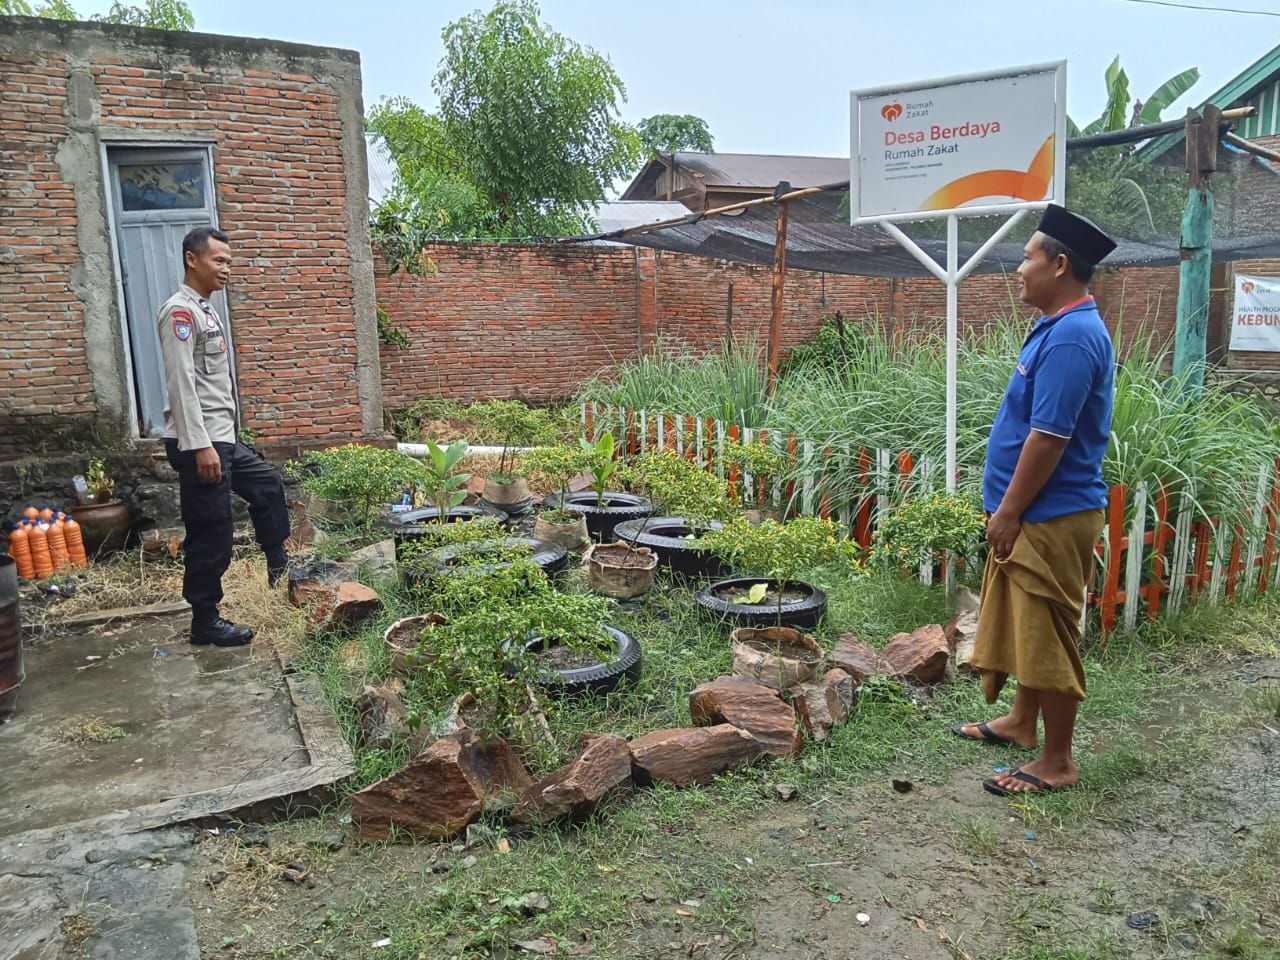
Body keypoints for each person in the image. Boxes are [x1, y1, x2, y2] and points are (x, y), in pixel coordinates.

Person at [951, 204, 1117, 796]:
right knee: (1028, 622)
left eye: (1027, 257)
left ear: (1060, 264)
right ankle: (1022, 723)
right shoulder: (1057, 325)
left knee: (1047, 632)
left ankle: (1058, 761)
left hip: (1051, 514)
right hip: (1036, 512)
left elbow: (1049, 438)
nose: (1019, 268)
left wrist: (1009, 511)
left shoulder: (1072, 337)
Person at [158, 226, 291, 647]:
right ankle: (205, 620)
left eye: (229, 262)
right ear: (192, 260)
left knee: (267, 485)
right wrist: (200, 446)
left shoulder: (206, 309)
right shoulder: (179, 313)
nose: (226, 269)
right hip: (201, 443)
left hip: (222, 438)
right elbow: (182, 385)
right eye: (218, 260)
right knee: (211, 530)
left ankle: (280, 567)